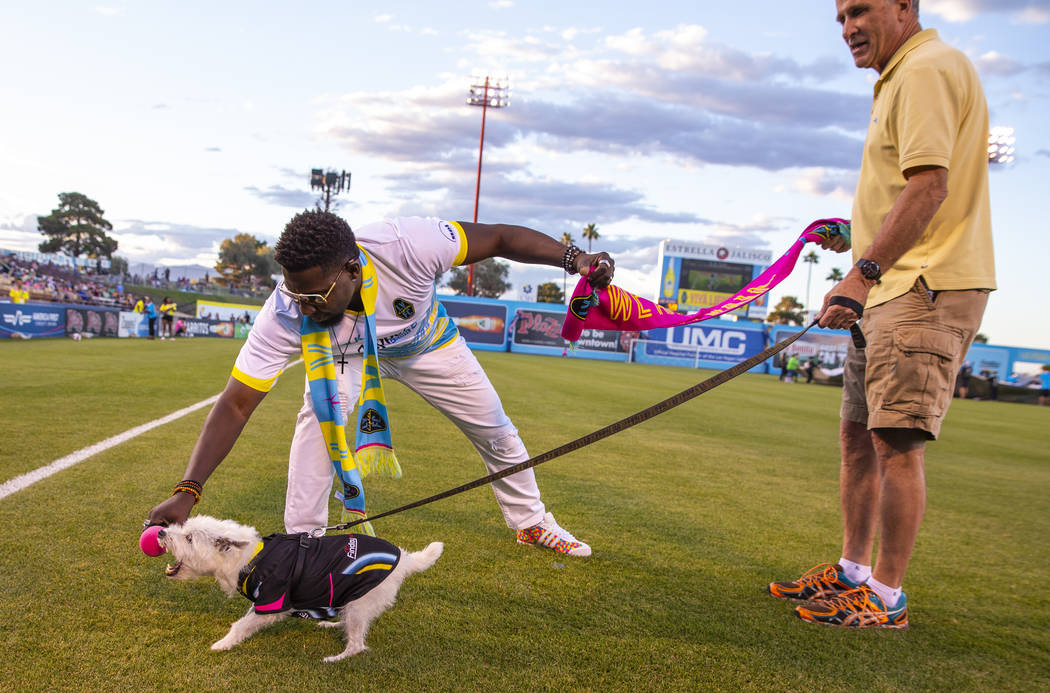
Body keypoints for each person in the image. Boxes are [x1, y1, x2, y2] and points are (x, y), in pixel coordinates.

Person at [147, 212, 615, 558]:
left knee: (495, 429)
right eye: (295, 294)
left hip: (425, 344)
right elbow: (235, 405)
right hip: (345, 353)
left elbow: (498, 237)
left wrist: (575, 258)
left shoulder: (409, 244)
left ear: (353, 270)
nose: (304, 307)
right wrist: (188, 490)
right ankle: (303, 546)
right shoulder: (286, 311)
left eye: (315, 296)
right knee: (318, 418)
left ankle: (531, 523)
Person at [768, 0, 995, 628]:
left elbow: (929, 187)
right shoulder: (900, 76)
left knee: (896, 442)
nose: (849, 29)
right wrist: (854, 236)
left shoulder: (925, 68)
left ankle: (886, 596)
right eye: (840, 18)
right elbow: (905, 191)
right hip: (893, 282)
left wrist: (860, 275)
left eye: (860, 11)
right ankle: (853, 572)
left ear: (904, 7)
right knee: (859, 438)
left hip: (922, 285)